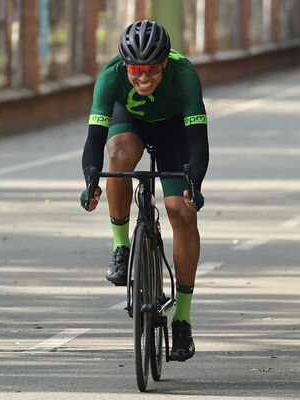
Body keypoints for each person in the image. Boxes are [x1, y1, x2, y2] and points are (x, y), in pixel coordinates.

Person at [80, 20, 209, 361]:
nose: (143, 78)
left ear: (164, 63)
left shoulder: (184, 75)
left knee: (181, 213)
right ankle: (121, 247)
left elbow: (198, 143)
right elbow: (94, 141)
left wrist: (194, 183)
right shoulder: (110, 76)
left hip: (173, 129)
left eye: (151, 70)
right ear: (126, 66)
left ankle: (182, 318)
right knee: (118, 158)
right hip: (131, 122)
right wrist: (91, 181)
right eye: (136, 70)